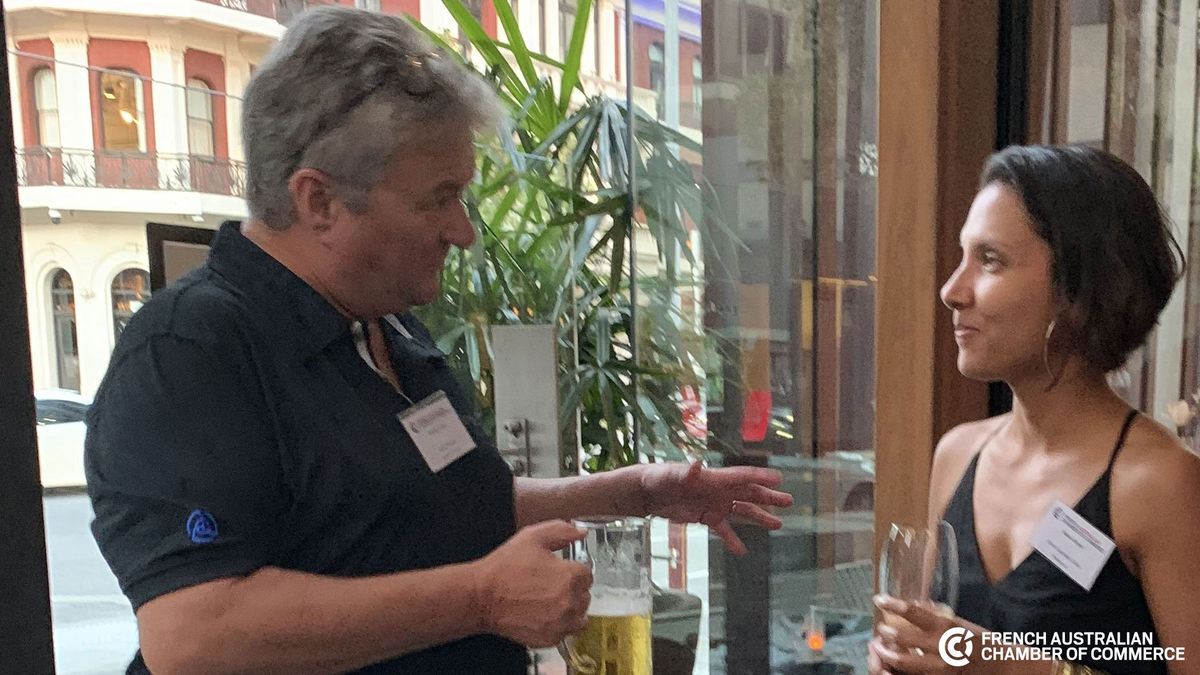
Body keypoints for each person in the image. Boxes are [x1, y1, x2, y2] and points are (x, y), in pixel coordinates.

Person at [83, 7, 793, 674]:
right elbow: (193, 633)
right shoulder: (191, 349)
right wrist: (481, 598)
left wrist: (636, 491)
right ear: (318, 200)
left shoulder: (383, 323)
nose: (464, 231)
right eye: (438, 198)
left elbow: (440, 507)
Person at [868, 145, 1200, 675]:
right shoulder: (958, 453)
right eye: (962, 256)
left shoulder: (1157, 482)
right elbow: (933, 642)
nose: (952, 290)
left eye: (990, 260)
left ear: (1077, 290)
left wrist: (1007, 667)